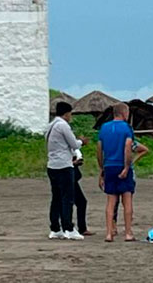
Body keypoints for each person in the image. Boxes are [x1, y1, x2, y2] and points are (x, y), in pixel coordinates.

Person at [46, 101, 88, 240]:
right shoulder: (63, 125)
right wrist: (81, 141)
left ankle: (55, 228)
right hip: (64, 165)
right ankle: (68, 228)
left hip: (52, 165)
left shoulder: (50, 125)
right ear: (67, 113)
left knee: (56, 198)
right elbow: (73, 144)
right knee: (67, 198)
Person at [97, 102, 137, 242]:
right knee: (127, 200)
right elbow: (127, 147)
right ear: (124, 113)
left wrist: (101, 168)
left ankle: (108, 233)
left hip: (109, 166)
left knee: (110, 201)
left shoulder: (104, 128)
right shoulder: (127, 128)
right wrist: (126, 167)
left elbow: (99, 149)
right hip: (121, 164)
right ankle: (128, 232)